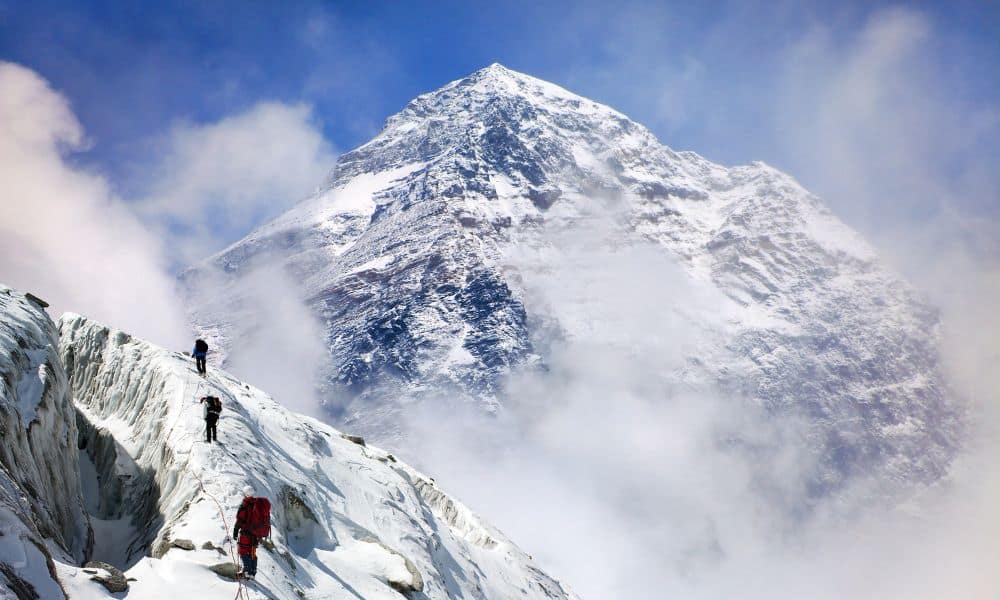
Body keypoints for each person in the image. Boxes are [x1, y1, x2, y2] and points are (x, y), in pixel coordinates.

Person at [232, 486, 270, 580]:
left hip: (246, 533)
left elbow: (240, 520)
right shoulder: (257, 504)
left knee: (244, 551)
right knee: (252, 552)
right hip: (255, 534)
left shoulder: (245, 505)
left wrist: (235, 531)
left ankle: (247, 572)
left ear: (245, 494)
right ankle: (252, 572)